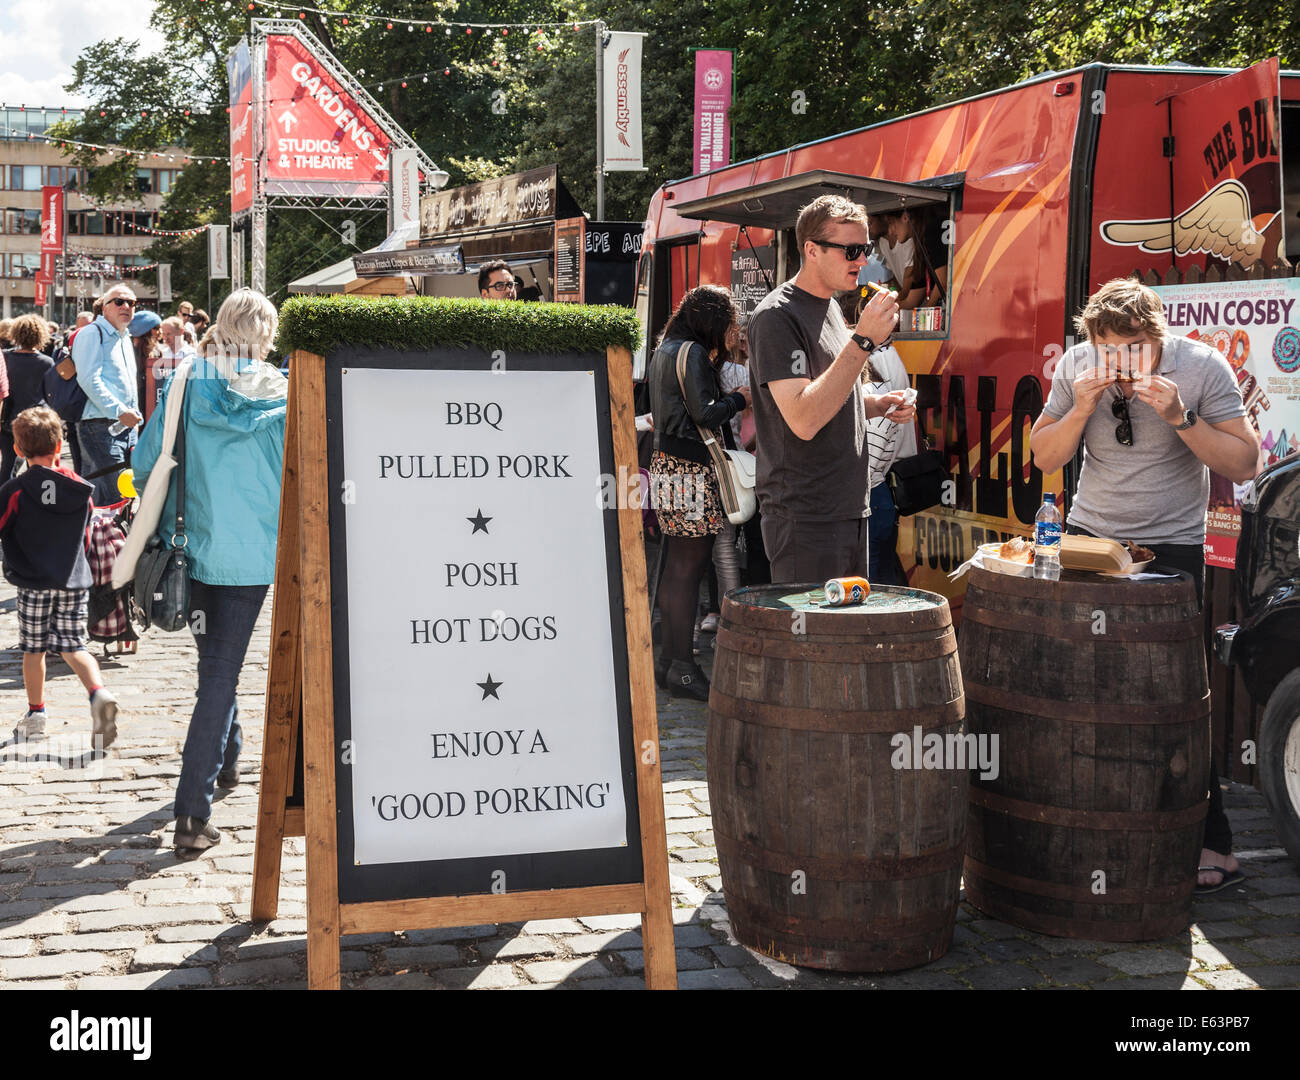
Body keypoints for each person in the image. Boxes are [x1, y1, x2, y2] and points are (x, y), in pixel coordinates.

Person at [1030, 277, 1262, 895]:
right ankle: (1097, 826)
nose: (1120, 365)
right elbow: (1044, 458)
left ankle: (1213, 842)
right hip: (1092, 540)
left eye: (1133, 351)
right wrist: (1079, 406)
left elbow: (1244, 462)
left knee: (1179, 700)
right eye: (1108, 351)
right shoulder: (1079, 366)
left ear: (1157, 341)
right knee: (1082, 690)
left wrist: (1179, 416)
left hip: (1173, 548)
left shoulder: (1200, 365)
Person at [132, 288, 287, 852]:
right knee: (220, 671)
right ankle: (192, 814)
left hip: (190, 546)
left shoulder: (185, 385)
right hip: (250, 555)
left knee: (215, 665)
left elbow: (146, 461)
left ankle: (226, 764)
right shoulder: (287, 392)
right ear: (267, 335)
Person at [746, 194, 915, 584]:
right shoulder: (777, 316)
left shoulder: (833, 309)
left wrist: (876, 404)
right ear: (812, 250)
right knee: (812, 642)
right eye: (852, 250)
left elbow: (832, 395)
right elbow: (803, 418)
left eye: (866, 248)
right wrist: (864, 342)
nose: (863, 261)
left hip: (851, 508)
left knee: (847, 641)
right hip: (806, 514)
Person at [647, 285, 750, 699]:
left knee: (677, 567)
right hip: (690, 467)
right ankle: (684, 669)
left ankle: (671, 663)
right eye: (728, 321)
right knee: (689, 568)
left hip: (667, 464)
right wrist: (738, 399)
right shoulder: (690, 352)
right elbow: (705, 413)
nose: (731, 330)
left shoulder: (665, 348)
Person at [0, 406, 118, 745]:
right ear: (59, 445)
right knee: (74, 646)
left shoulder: (15, 491)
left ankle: (37, 714)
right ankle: (98, 694)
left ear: (18, 449)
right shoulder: (81, 490)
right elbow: (85, 533)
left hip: (33, 584)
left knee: (33, 650)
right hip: (73, 581)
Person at [73, 284, 140, 505]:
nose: (126, 306)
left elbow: (126, 383)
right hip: (99, 427)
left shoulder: (125, 337)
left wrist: (133, 417)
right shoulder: (92, 333)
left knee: (107, 497)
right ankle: (111, 539)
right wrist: (121, 411)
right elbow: (89, 379)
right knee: (117, 496)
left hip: (124, 428)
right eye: (119, 301)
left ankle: (96, 539)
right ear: (104, 307)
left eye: (131, 303)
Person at [863, 338, 916, 585]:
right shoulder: (881, 395)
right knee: (881, 578)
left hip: (869, 499)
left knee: (869, 582)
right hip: (880, 496)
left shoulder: (871, 397)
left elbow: (867, 465)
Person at [1, 314, 56, 481]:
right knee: (38, 468)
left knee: (7, 467)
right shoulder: (46, 362)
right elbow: (50, 394)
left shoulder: (5, 357)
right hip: (36, 422)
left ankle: (4, 502)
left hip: (8, 420)